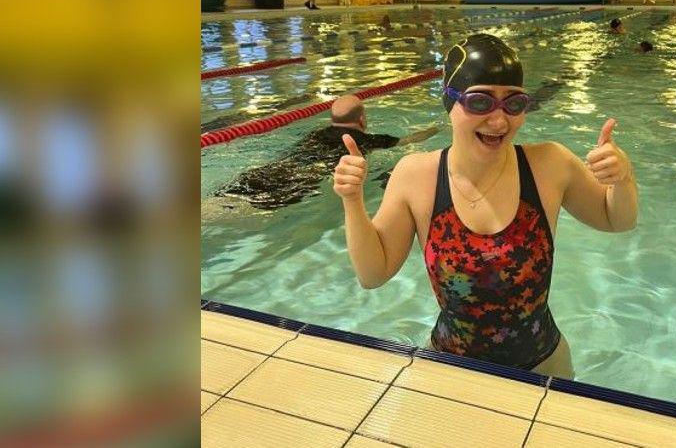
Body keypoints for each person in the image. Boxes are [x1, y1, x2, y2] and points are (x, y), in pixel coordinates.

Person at [333, 34, 638, 378]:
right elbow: (373, 274)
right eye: (480, 102)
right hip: (451, 371)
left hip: (544, 366)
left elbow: (618, 219)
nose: (499, 121)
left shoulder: (550, 164)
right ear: (449, 102)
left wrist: (622, 178)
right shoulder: (416, 176)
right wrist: (352, 202)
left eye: (514, 103)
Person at [211, 95, 439, 212]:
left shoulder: (314, 134)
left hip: (268, 171)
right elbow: (409, 141)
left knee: (217, 206)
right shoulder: (370, 140)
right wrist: (437, 128)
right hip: (300, 181)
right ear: (362, 119)